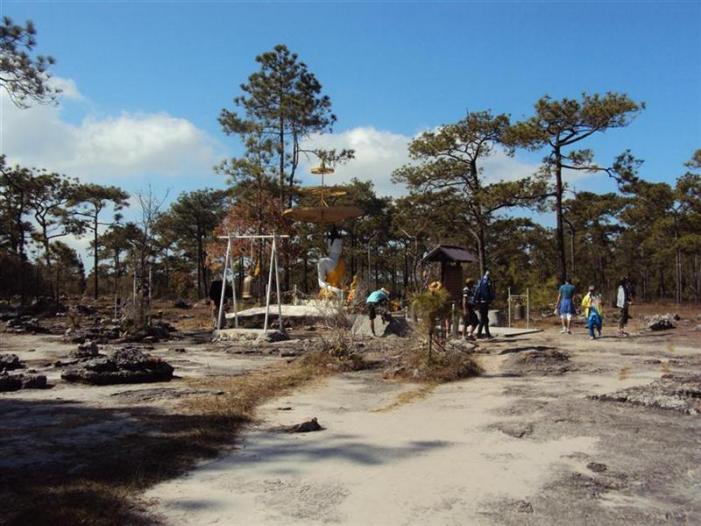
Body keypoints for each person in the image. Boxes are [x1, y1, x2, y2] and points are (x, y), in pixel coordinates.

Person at [473, 270, 494, 339]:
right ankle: (480, 334)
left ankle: (486, 334)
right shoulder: (487, 282)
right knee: (483, 319)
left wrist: (476, 301)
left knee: (485, 319)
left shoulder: (480, 282)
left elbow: (477, 292)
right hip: (484, 302)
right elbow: (490, 291)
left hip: (481, 302)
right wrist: (491, 299)